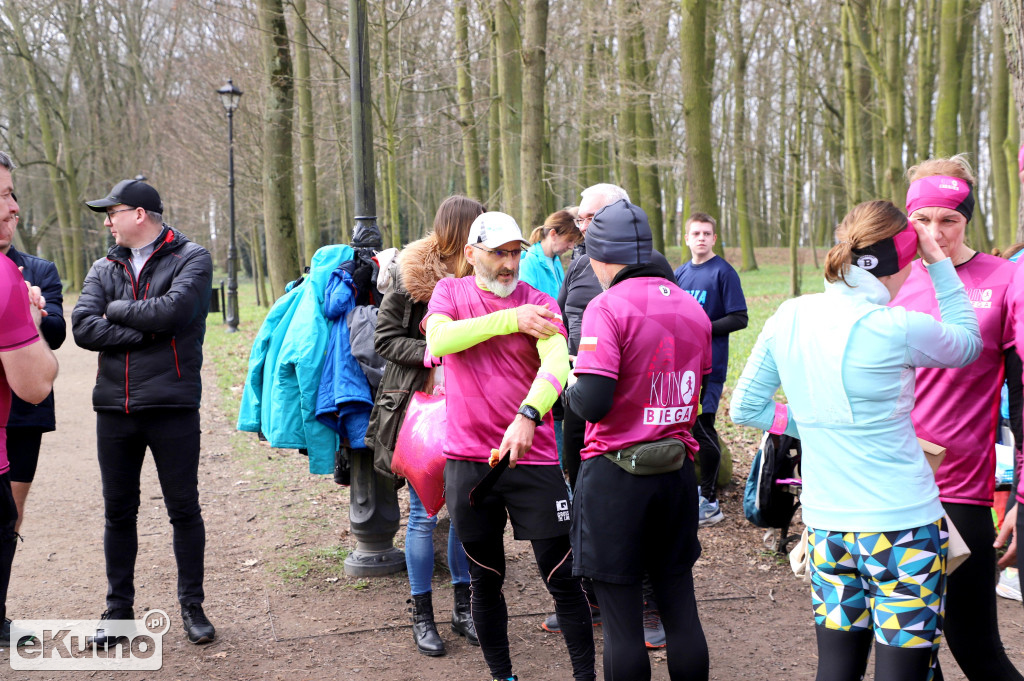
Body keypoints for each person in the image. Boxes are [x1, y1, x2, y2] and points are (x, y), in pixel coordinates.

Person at [731, 199, 982, 681]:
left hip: (827, 528)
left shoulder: (790, 315)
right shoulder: (897, 327)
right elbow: (968, 342)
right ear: (898, 266)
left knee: (836, 670)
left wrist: (820, 421)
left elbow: (746, 406)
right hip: (903, 529)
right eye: (910, 267)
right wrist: (941, 266)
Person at [425, 211, 595, 681]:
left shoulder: (540, 301)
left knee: (564, 578)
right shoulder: (450, 294)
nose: (509, 263)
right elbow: (441, 338)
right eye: (498, 252)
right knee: (486, 579)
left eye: (516, 253)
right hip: (468, 461)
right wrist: (509, 319)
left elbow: (558, 365)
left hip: (533, 456)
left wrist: (528, 415)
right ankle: (503, 676)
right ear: (471, 254)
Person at [888, 155, 1024, 681]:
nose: (935, 233)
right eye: (923, 220)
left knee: (976, 647)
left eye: (950, 220)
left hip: (962, 494)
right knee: (910, 653)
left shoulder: (1004, 278)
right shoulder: (889, 279)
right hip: (890, 490)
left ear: (968, 219)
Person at [566, 199, 711, 681]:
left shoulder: (605, 307)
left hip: (615, 479)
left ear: (600, 258)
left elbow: (594, 401)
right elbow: (700, 390)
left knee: (624, 624)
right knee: (680, 607)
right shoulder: (692, 306)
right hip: (675, 474)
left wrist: (570, 382)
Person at [72, 179, 215, 646]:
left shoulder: (192, 258)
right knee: (118, 512)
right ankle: (118, 611)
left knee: (183, 509)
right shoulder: (101, 266)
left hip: (172, 404)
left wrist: (116, 311)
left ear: (139, 214)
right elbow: (83, 328)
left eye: (112, 212)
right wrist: (145, 327)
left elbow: (174, 314)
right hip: (114, 408)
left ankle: (192, 606)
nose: (107, 221)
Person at [550, 182, 674, 647]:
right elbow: (568, 317)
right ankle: (594, 597)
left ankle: (644, 608)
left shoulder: (650, 268)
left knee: (627, 510)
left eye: (588, 219)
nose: (580, 228)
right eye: (579, 220)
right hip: (579, 390)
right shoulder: (581, 261)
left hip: (618, 402)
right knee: (580, 497)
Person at [365, 195, 484, 656]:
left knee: (463, 512)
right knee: (424, 514)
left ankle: (462, 608)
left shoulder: (485, 278)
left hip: (472, 408)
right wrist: (430, 351)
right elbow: (384, 338)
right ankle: (422, 615)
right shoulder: (411, 276)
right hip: (421, 408)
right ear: (461, 232)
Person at [0, 150, 59, 647]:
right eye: (2, 195)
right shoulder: (5, 280)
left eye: (13, 194)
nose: (13, 206)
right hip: (21, 392)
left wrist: (36, 313)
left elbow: (60, 329)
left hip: (22, 419)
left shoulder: (37, 268)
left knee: (9, 516)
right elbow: (38, 372)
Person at [673, 212, 747, 527]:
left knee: (704, 427)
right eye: (696, 233)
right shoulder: (679, 274)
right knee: (679, 428)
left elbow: (739, 317)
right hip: (680, 366)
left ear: (714, 238)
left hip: (710, 368)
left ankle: (710, 501)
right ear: (687, 239)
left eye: (707, 233)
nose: (701, 238)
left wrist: (701, 327)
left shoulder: (723, 273)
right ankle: (684, 493)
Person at [519, 210, 581, 299]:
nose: (571, 247)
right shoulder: (528, 262)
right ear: (553, 234)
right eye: (569, 240)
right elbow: (525, 300)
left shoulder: (556, 261)